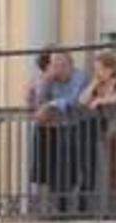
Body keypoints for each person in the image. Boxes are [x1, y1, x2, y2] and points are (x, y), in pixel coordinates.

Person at [28, 50, 90, 213]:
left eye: (60, 65)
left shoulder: (79, 77)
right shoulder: (51, 79)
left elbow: (74, 100)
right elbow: (38, 102)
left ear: (69, 65)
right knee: (55, 169)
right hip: (55, 129)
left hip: (79, 127)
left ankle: (81, 209)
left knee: (75, 169)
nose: (56, 69)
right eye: (53, 65)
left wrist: (51, 105)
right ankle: (56, 207)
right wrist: (45, 80)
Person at [79, 51, 116, 213]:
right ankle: (113, 208)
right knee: (110, 171)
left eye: (100, 69)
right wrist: (93, 84)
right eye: (96, 69)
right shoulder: (99, 85)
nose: (98, 73)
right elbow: (82, 100)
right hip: (107, 133)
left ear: (111, 68)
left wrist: (100, 100)